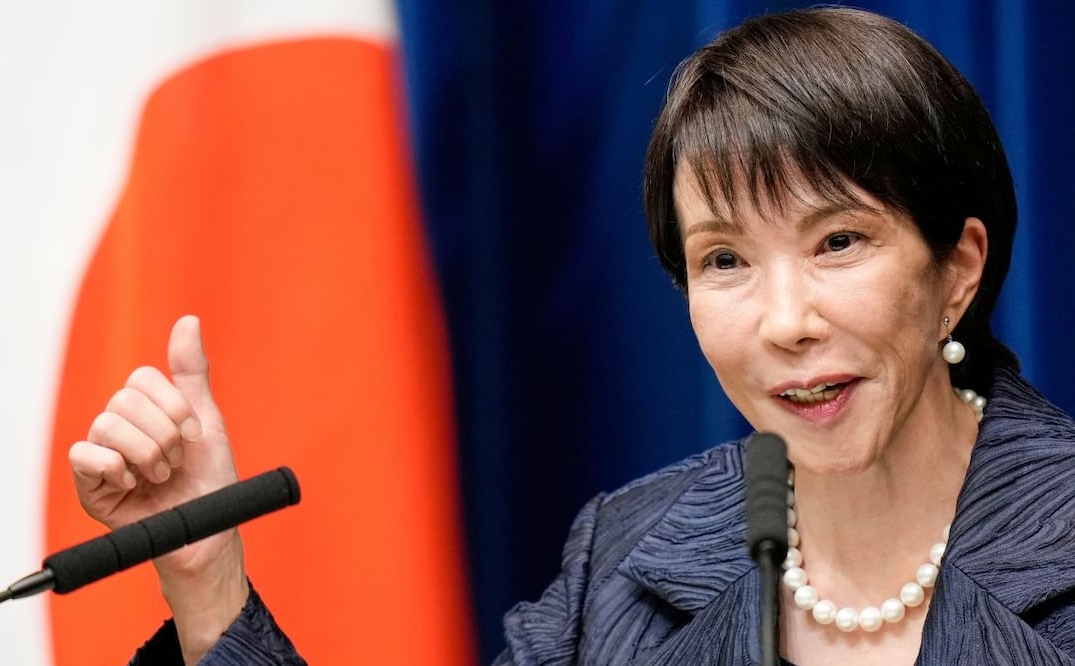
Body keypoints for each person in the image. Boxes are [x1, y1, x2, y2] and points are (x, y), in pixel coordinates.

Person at [68, 7, 1075, 665]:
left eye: (837, 243)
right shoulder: (630, 560)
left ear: (956, 268)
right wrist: (204, 566)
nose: (783, 323)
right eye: (724, 261)